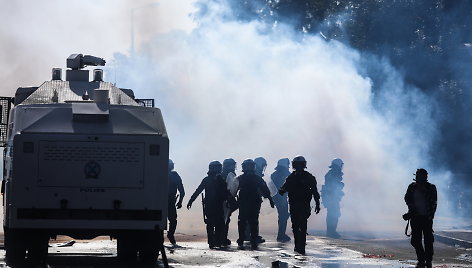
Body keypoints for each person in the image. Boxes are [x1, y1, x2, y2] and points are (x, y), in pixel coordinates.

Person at [279, 156, 320, 255]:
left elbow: (315, 191)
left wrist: (317, 203)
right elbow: (284, 188)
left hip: (302, 205)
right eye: (297, 165)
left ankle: (300, 244)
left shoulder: (307, 177)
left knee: (301, 224)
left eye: (300, 165)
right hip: (295, 205)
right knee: (296, 225)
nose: (298, 167)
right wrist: (282, 190)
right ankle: (299, 243)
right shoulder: (292, 177)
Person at [187, 161, 234, 249]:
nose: (218, 169)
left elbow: (226, 192)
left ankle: (215, 241)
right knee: (213, 224)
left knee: (216, 224)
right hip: (213, 206)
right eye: (217, 168)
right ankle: (214, 242)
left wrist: (191, 200)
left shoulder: (218, 180)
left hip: (214, 205)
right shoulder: (210, 180)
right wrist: (191, 200)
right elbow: (199, 190)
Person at [236, 159, 274, 250]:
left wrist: (270, 199)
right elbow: (233, 190)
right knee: (246, 221)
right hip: (247, 203)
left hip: (250, 203)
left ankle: (249, 239)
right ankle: (245, 239)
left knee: (249, 221)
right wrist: (270, 199)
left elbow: (265, 190)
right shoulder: (248, 178)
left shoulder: (243, 178)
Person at [404, 168, 437, 268]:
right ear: (416, 177)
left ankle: (428, 261)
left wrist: (431, 216)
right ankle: (421, 260)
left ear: (426, 177)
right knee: (415, 240)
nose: (421, 178)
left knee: (428, 241)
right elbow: (407, 198)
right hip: (415, 218)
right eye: (419, 176)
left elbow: (434, 203)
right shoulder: (412, 187)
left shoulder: (431, 187)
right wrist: (411, 209)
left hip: (427, 218)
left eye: (423, 176)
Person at [321, 158, 345, 238]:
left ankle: (331, 231)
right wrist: (341, 185)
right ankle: (331, 232)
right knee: (333, 213)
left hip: (331, 196)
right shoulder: (333, 173)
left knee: (333, 213)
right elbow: (333, 185)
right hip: (331, 196)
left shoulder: (332, 173)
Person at [270, 158, 291, 242]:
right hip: (282, 197)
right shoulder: (286, 174)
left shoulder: (274, 174)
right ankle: (281, 235)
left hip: (275, 197)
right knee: (283, 216)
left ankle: (281, 234)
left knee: (283, 215)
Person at [167, 159, 185, 245]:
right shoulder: (174, 175)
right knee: (173, 220)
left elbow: (182, 191)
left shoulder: (158, 173)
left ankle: (169, 235)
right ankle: (170, 235)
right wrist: (180, 201)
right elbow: (182, 191)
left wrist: (180, 201)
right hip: (169, 201)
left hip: (164, 202)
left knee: (172, 220)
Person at [222, 158, 238, 246]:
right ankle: (222, 238)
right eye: (232, 165)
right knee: (225, 219)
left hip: (222, 199)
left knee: (224, 219)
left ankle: (220, 237)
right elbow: (230, 188)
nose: (233, 167)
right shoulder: (229, 174)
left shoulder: (221, 174)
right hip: (226, 200)